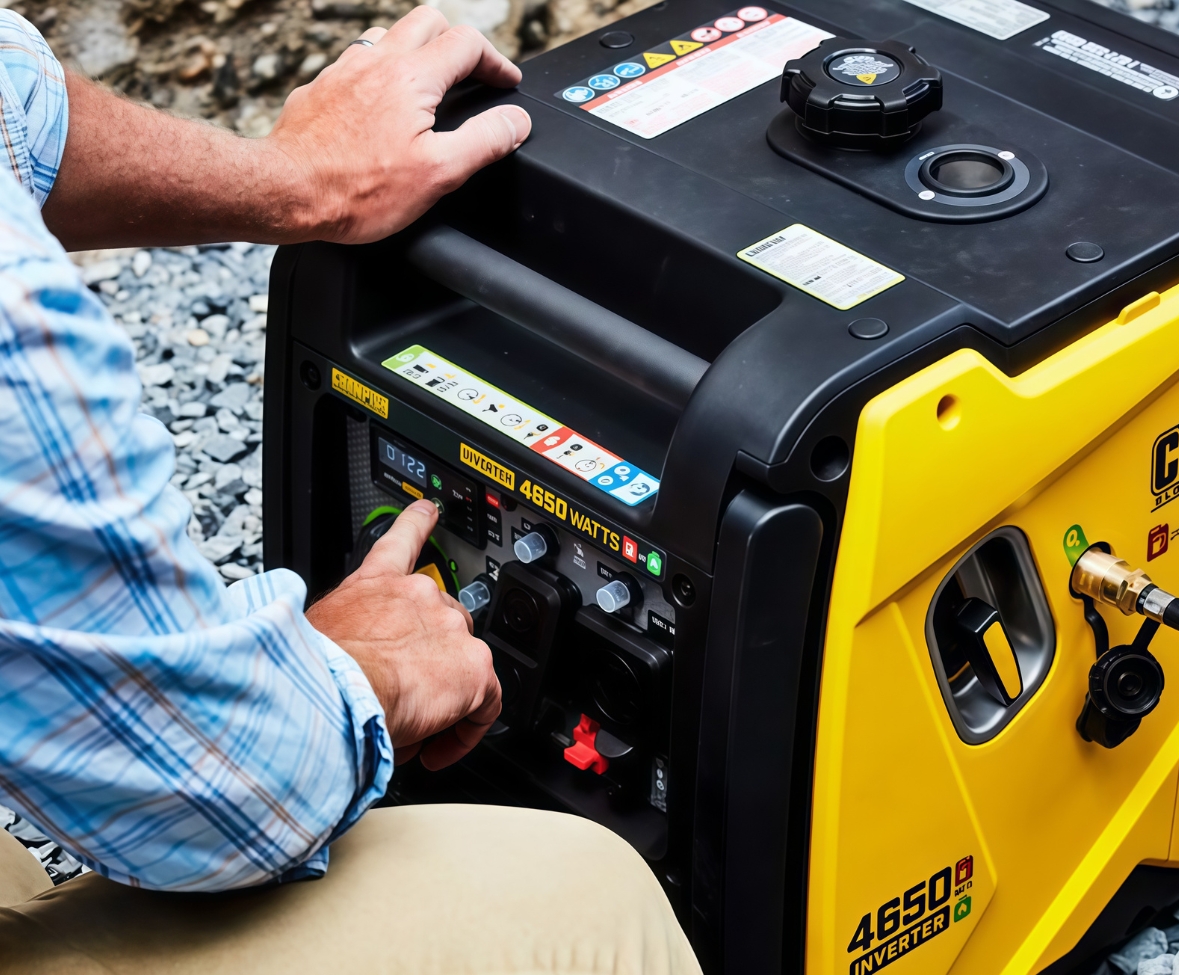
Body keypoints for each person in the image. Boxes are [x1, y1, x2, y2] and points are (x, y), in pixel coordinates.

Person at [0, 8, 701, 972]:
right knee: (595, 891)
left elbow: (11, 107)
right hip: (218, 796)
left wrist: (302, 181)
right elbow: (216, 795)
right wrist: (362, 670)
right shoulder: (15, 342)